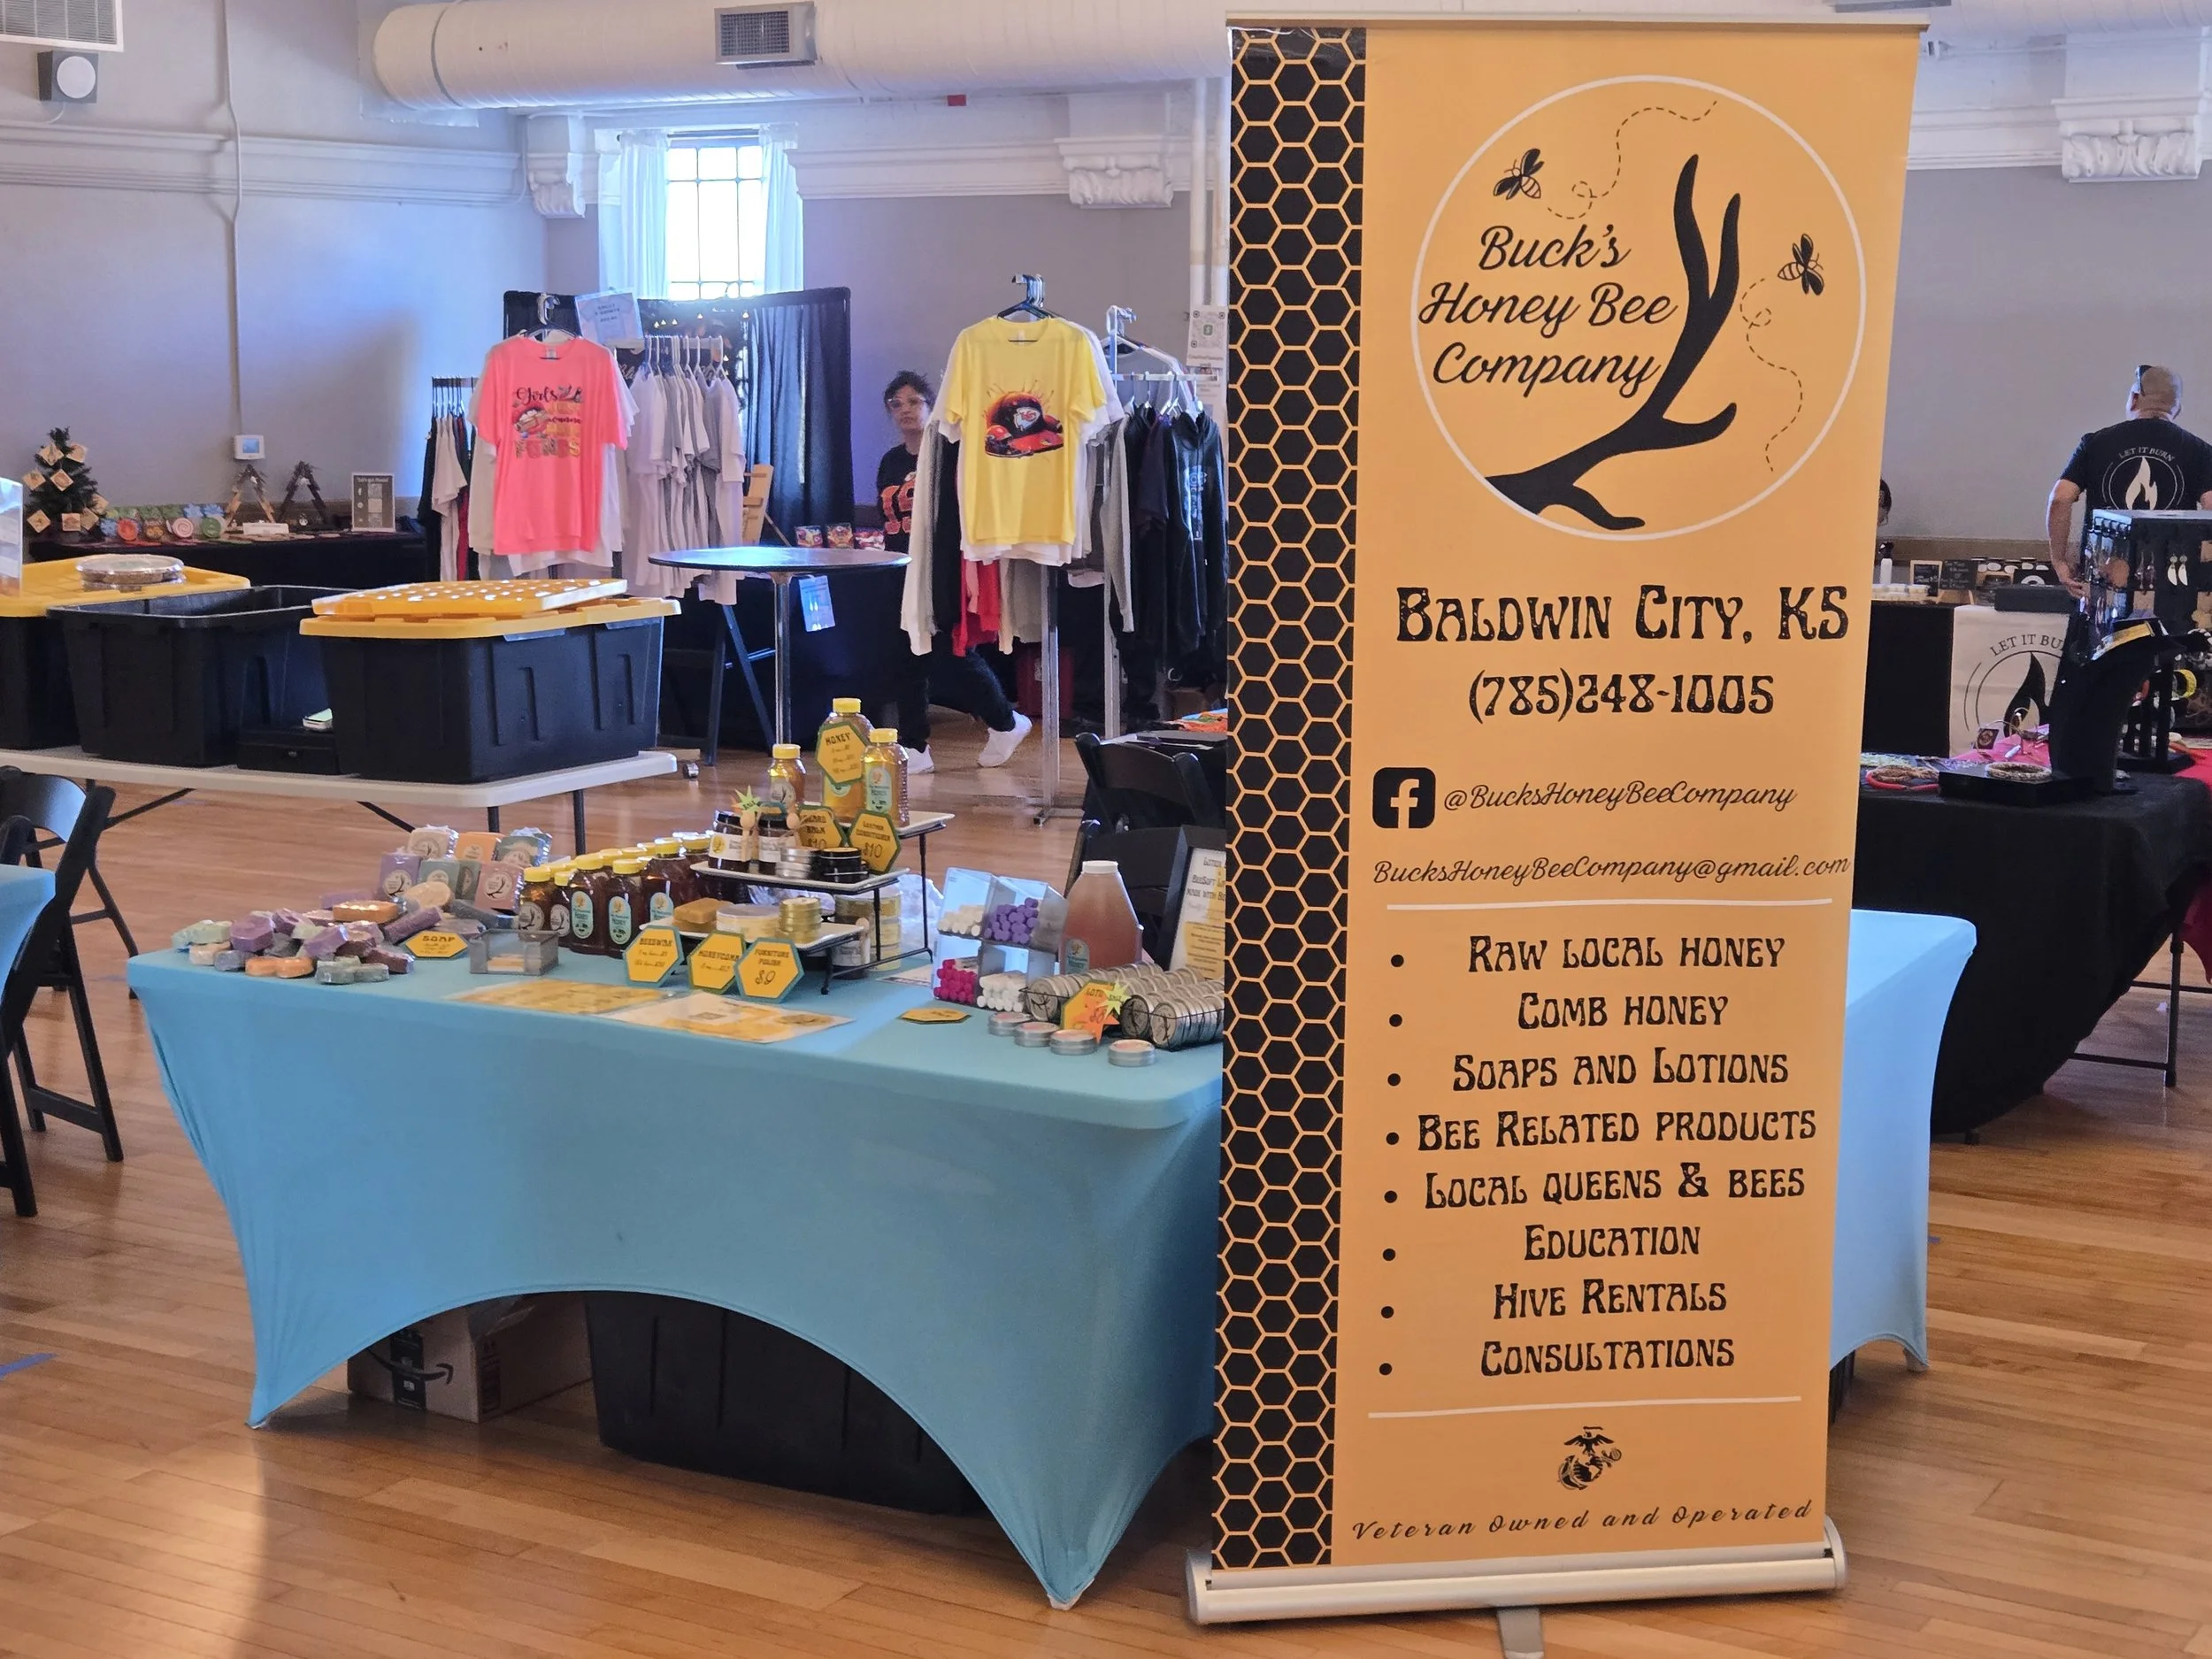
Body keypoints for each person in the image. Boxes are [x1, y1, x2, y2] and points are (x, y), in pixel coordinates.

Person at [877, 370, 1032, 771]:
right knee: (905, 658)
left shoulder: (947, 455)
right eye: (896, 404)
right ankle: (914, 745)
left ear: (930, 405)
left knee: (952, 649)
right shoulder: (891, 462)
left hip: (940, 566)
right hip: (900, 569)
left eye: (914, 402)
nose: (905, 411)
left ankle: (1004, 720)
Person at [2047, 365, 2212, 597]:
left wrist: (2060, 561)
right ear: (2178, 408)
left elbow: (2060, 498)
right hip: (2171, 588)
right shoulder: (2200, 451)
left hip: (2103, 584)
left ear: (2135, 399)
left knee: (2099, 634)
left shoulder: (2095, 443)